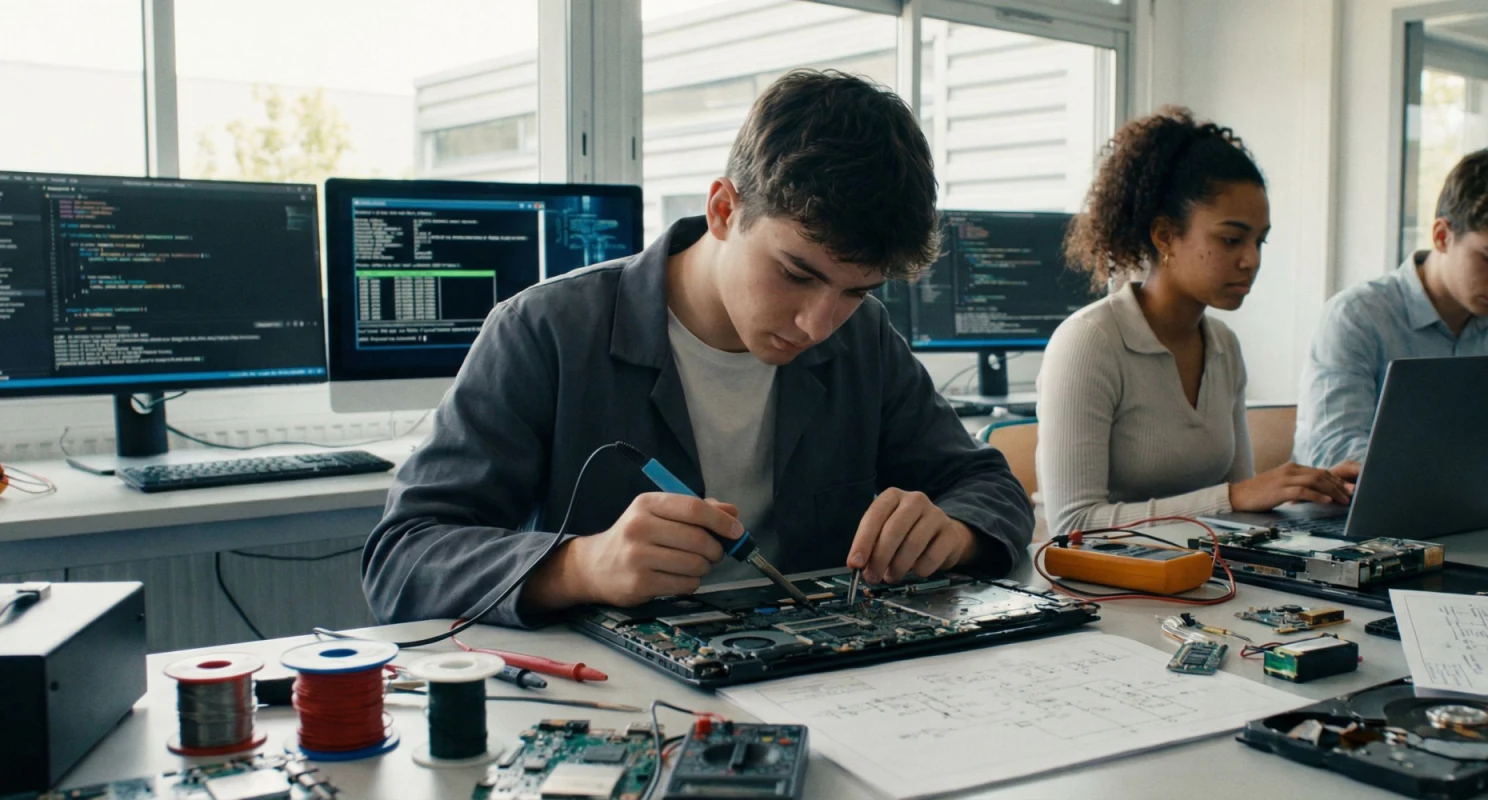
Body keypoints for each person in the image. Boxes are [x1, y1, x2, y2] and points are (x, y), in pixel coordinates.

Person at [362, 70, 1033, 625]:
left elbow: (986, 484)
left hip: (823, 680)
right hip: (618, 706)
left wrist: (955, 530)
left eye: (856, 290)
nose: (817, 324)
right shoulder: (545, 331)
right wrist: (581, 565)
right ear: (722, 209)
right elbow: (403, 555)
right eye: (797, 273)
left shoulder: (865, 338)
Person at [1038, 107, 1356, 536]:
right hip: (1114, 589)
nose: (1252, 260)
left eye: (1259, 241)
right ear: (1165, 235)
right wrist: (1233, 497)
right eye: (1231, 239)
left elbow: (1241, 505)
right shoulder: (1089, 342)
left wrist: (1302, 491)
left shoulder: (1223, 345)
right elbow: (1071, 524)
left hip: (1206, 576)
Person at [1295, 148, 1488, 520]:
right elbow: (1335, 457)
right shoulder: (1357, 316)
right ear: (1442, 235)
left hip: (1472, 525)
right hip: (1356, 533)